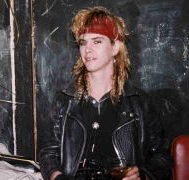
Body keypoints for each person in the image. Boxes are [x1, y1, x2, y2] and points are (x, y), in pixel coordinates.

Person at [39, 6, 172, 180]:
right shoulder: (65, 101)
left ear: (115, 47)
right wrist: (57, 177)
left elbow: (162, 158)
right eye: (83, 42)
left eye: (97, 41)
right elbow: (48, 155)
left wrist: (143, 174)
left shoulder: (139, 103)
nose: (87, 49)